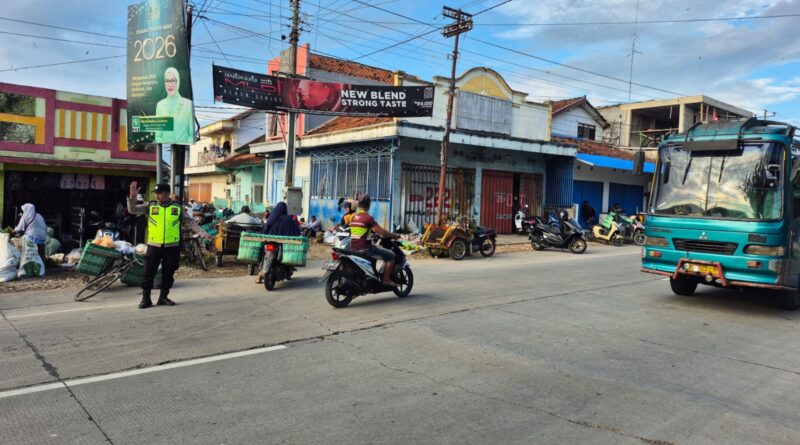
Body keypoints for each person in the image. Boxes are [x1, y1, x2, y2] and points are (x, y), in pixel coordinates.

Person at [127, 182, 210, 309]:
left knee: (168, 273)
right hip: (154, 245)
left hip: (172, 247)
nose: (157, 196)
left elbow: (190, 222)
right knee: (148, 273)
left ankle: (163, 297)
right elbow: (132, 210)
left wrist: (202, 233)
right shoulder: (150, 206)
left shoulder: (177, 208)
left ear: (167, 194)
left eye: (160, 194)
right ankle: (146, 299)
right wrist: (132, 197)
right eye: (156, 193)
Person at [349, 195, 401, 287]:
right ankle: (386, 280)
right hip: (365, 248)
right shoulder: (368, 218)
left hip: (353, 247)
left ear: (359, 204)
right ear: (369, 205)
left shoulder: (352, 217)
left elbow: (361, 230)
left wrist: (372, 235)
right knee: (391, 256)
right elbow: (382, 232)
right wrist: (394, 235)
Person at [259, 202, 301, 284]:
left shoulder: (272, 218)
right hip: (284, 244)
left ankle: (261, 270)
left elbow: (266, 228)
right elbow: (297, 231)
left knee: (264, 253)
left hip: (271, 242)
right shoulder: (289, 219)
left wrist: (264, 236)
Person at [154, 67, 194, 144]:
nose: (170, 84)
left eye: (173, 80)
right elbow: (158, 136)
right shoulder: (160, 105)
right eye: (167, 81)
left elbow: (191, 135)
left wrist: (184, 147)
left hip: (183, 149)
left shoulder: (188, 104)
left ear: (178, 81)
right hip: (166, 148)